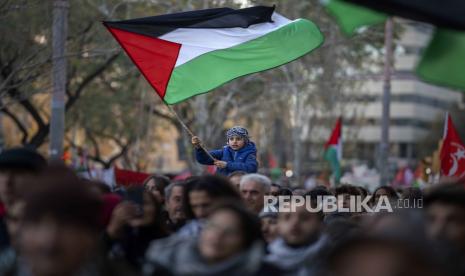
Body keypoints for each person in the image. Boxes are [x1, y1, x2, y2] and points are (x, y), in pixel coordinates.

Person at [144, 201, 282, 276]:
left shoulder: (263, 272)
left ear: (245, 240)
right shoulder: (164, 264)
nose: (217, 236)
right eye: (213, 227)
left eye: (230, 232)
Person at [104, 186, 169, 269]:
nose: (138, 208)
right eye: (132, 203)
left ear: (155, 208)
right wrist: (111, 232)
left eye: (145, 203)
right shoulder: (114, 243)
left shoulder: (168, 243)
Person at [265, 196, 328, 275]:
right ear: (279, 224)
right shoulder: (262, 266)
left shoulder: (335, 263)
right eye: (287, 217)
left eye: (304, 218)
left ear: (320, 224)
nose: (295, 223)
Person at [177, 175, 242, 238]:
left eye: (206, 205)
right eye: (194, 207)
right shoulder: (186, 235)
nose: (200, 213)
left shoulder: (245, 232)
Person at [192, 126, 258, 175]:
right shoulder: (223, 152)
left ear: (245, 141)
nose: (234, 141)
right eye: (231, 139)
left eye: (238, 139)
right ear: (228, 141)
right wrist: (199, 148)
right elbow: (203, 159)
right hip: (222, 187)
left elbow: (251, 168)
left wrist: (227, 165)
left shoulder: (249, 153)